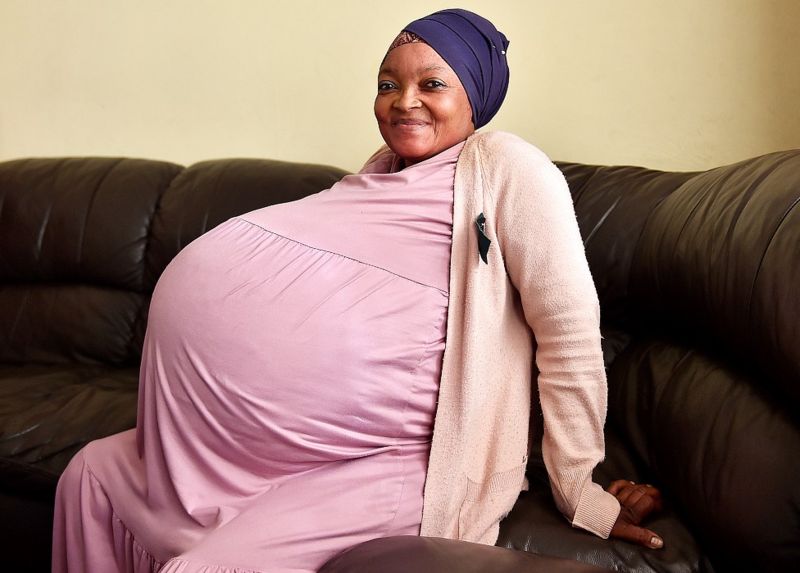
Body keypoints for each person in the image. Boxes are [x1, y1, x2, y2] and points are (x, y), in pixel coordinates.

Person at [52, 9, 662, 573]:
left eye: (431, 84)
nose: (404, 101)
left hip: (402, 459)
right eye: (387, 84)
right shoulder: (379, 173)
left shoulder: (508, 167)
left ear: (476, 95)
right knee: (92, 475)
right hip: (276, 449)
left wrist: (580, 489)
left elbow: (568, 334)